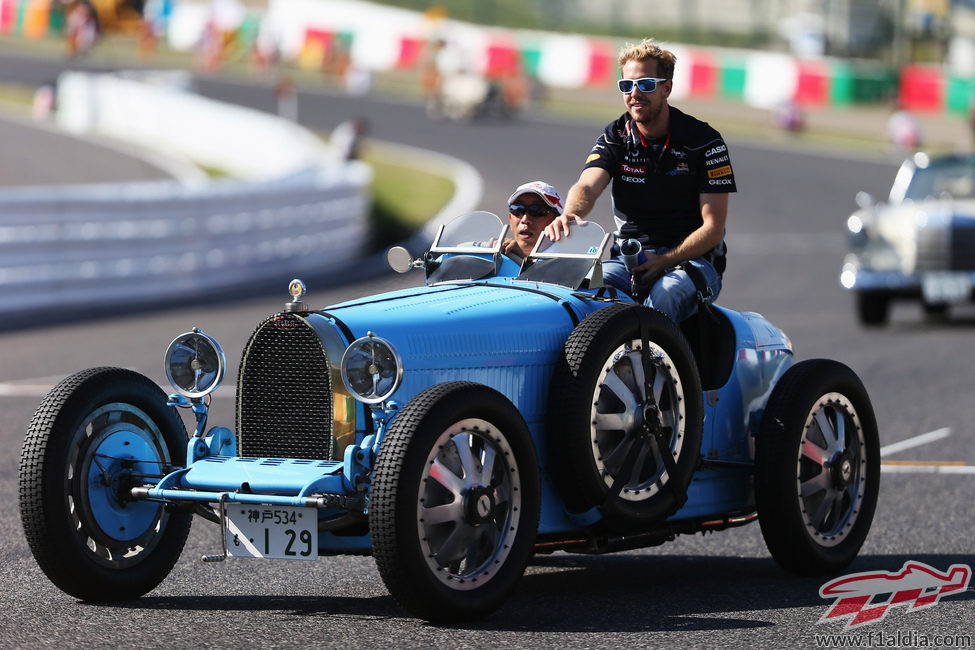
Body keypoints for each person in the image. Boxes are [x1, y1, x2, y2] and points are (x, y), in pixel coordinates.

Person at [545, 39, 737, 323]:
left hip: (691, 262)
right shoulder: (616, 136)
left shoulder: (705, 141)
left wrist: (665, 260)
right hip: (629, 260)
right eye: (627, 86)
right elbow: (587, 186)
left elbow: (713, 228)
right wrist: (570, 213)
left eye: (646, 85)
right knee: (582, 291)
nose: (635, 94)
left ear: (666, 88)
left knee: (664, 296)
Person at [500, 181, 564, 262]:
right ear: (510, 219)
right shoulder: (499, 258)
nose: (525, 220)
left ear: (558, 222)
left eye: (537, 210)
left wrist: (522, 262)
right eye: (518, 209)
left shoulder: (568, 262)